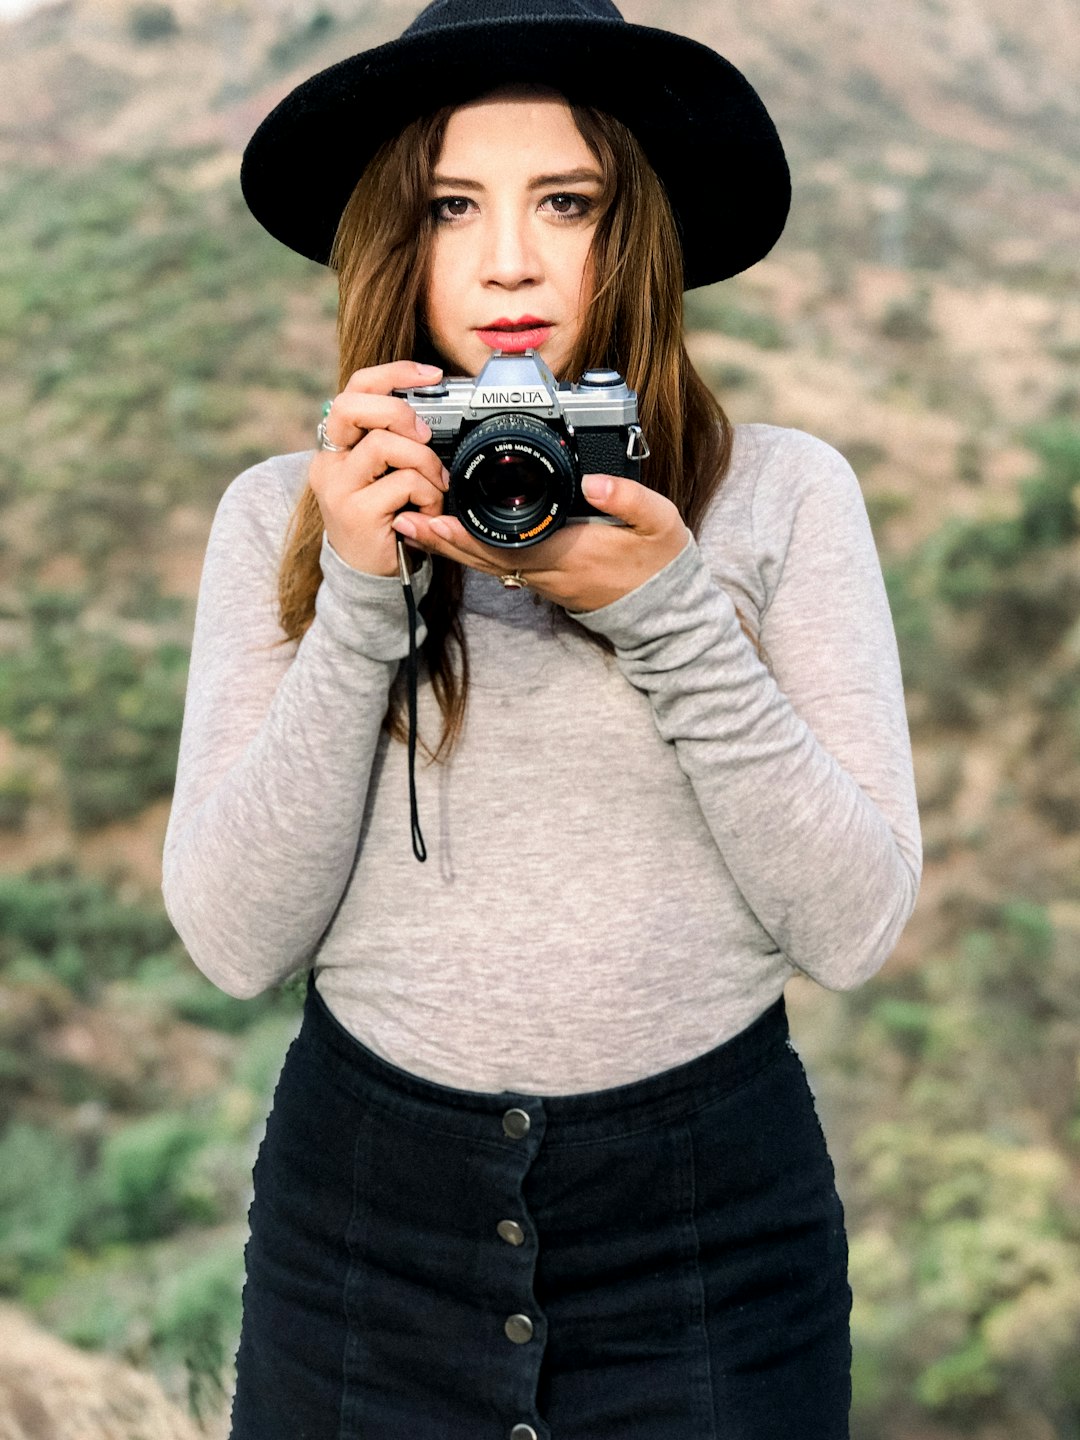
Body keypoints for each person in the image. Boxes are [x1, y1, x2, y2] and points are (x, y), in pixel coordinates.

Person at [161, 0, 922, 1436]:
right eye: (453, 206)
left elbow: (855, 925)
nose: (509, 259)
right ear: (398, 238)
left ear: (631, 229)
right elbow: (232, 937)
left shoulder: (781, 496)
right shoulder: (289, 511)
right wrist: (359, 599)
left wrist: (666, 608)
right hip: (365, 1235)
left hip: (711, 1236)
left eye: (564, 202)